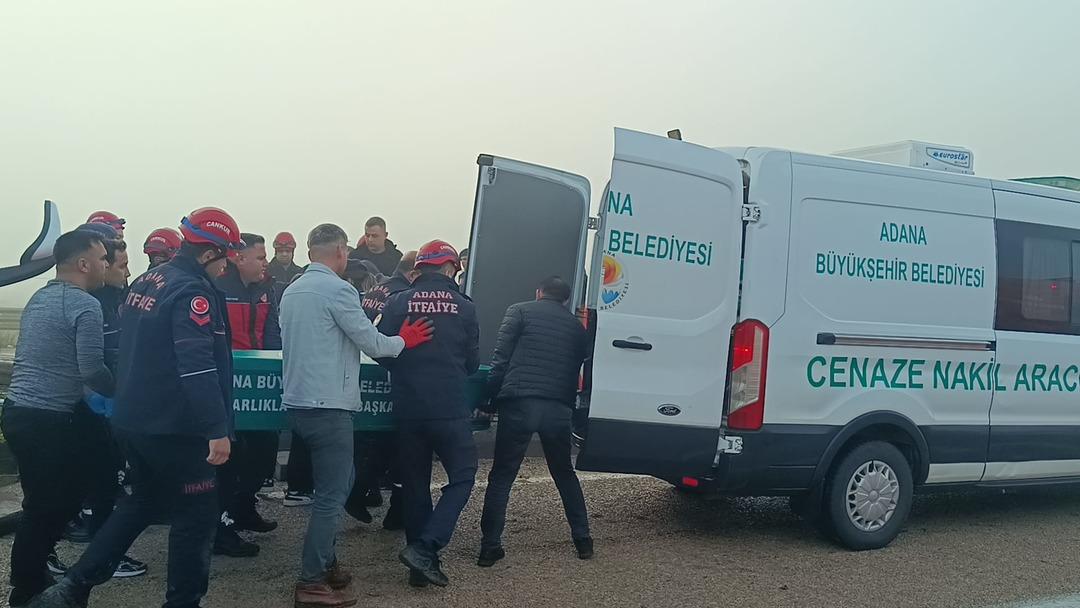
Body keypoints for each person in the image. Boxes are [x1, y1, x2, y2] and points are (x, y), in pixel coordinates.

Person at [31, 207, 243, 608]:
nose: (229, 263)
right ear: (211, 252)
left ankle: (71, 588)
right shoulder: (191, 292)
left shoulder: (149, 280)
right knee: (195, 519)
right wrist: (217, 428)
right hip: (178, 427)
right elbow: (197, 366)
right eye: (228, 253)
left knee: (139, 503)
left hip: (134, 420)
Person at [279, 223, 433, 608]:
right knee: (332, 496)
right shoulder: (339, 290)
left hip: (298, 402)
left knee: (338, 482)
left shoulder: (292, 290)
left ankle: (326, 562)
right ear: (341, 253)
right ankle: (311, 582)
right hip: (329, 405)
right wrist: (405, 340)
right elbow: (373, 343)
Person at [1, 229, 113, 607]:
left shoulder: (39, 298)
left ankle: (32, 573)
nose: (106, 265)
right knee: (49, 504)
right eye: (101, 258)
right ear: (83, 264)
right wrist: (123, 391)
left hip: (18, 412)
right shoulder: (85, 305)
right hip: (46, 419)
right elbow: (92, 371)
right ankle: (26, 587)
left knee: (50, 500)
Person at [376, 240, 479, 588]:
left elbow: (381, 351)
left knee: (416, 485)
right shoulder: (464, 307)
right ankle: (426, 547)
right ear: (451, 269)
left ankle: (418, 570)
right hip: (449, 407)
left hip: (408, 409)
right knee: (463, 478)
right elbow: (473, 362)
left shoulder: (397, 302)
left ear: (420, 268)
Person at [477, 276, 593, 567]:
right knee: (564, 474)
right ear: (565, 299)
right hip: (558, 408)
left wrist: (489, 397)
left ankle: (490, 547)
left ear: (539, 292)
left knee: (503, 475)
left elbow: (500, 358)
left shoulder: (519, 311)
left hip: (519, 402)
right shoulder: (577, 329)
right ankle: (583, 540)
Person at [61, 224, 148, 578]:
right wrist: (112, 396)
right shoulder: (91, 304)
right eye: (122, 265)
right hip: (91, 408)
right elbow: (90, 366)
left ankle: (101, 555)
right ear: (103, 266)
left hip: (109, 405)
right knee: (99, 485)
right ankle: (101, 560)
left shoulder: (119, 300)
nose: (128, 272)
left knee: (105, 484)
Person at [213, 233, 281, 557]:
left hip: (259, 385)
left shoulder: (267, 288)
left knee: (264, 453)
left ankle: (244, 507)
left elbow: (273, 333)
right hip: (226, 384)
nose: (266, 262)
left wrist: (273, 365)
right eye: (261, 256)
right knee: (229, 460)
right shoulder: (218, 287)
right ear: (239, 258)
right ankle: (222, 527)